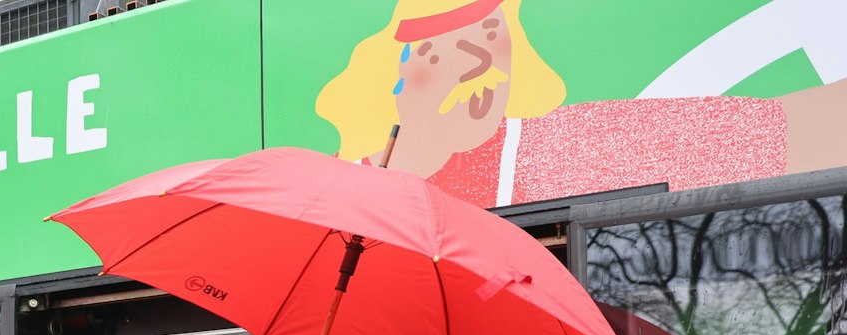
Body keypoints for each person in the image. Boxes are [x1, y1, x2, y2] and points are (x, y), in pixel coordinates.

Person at [317, 0, 847, 207]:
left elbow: (776, 131)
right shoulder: (336, 200)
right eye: (438, 49)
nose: (479, 63)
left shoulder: (551, 151)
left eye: (490, 34)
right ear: (394, 75)